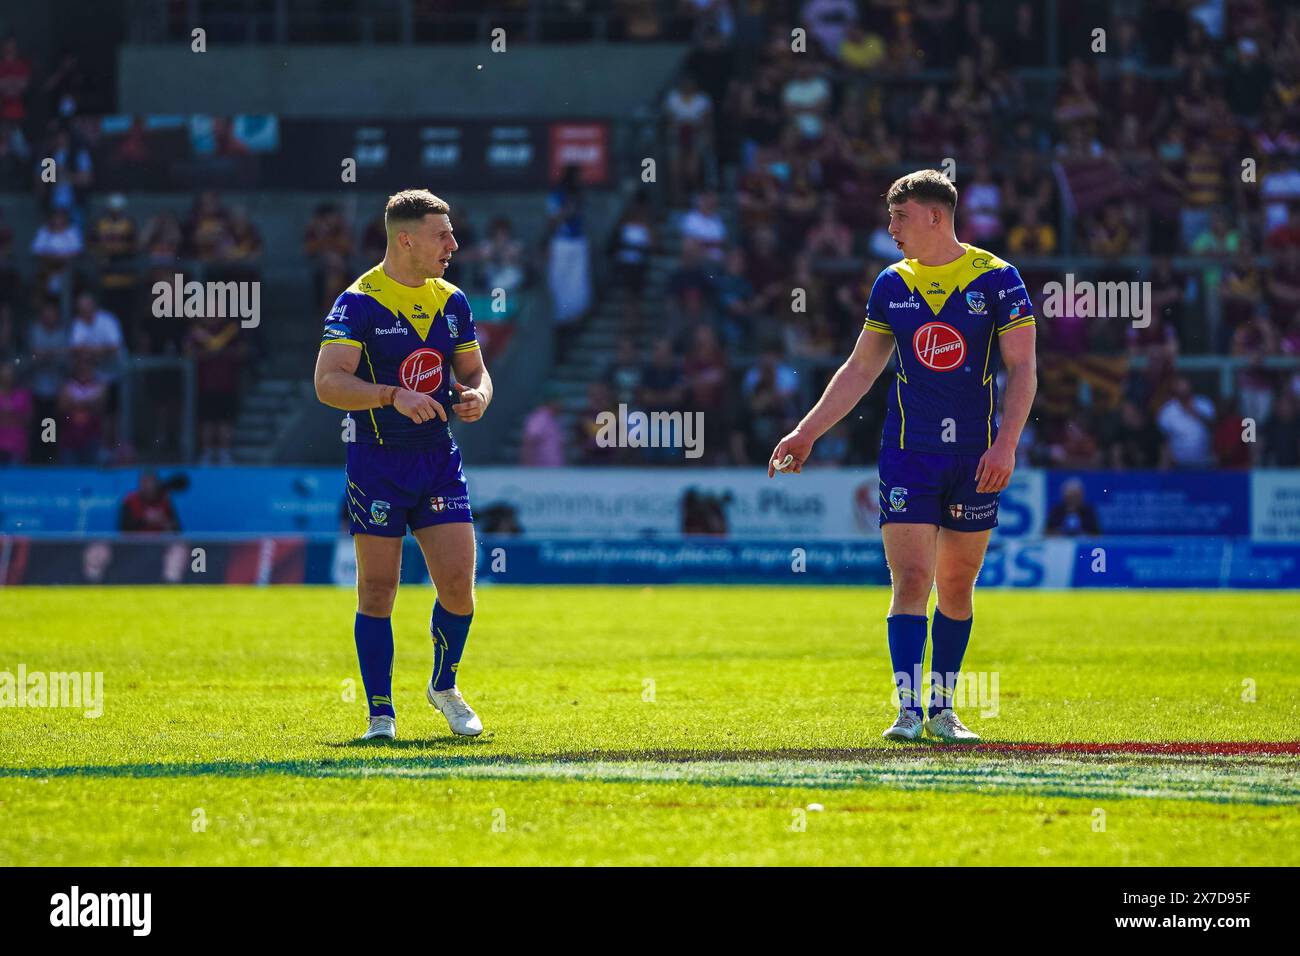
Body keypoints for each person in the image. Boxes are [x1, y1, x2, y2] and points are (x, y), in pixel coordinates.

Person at [768, 170, 1038, 743]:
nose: (891, 229)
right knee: (912, 578)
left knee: (958, 584)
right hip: (908, 454)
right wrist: (806, 432)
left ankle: (944, 709)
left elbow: (1023, 367)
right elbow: (861, 369)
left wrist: (1007, 442)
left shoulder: (998, 279)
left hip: (975, 456)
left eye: (901, 216)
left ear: (936, 216)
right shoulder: (892, 284)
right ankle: (908, 711)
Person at [314, 189, 492, 742]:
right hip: (377, 463)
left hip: (438, 458)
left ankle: (444, 686)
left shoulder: (453, 300)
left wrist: (478, 397)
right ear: (406, 239)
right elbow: (328, 384)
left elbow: (477, 372)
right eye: (443, 235)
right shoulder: (357, 302)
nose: (453, 245)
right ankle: (380, 714)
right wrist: (392, 396)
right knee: (378, 590)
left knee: (459, 584)